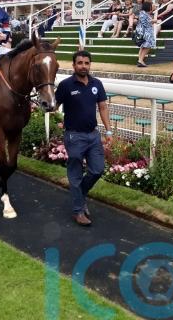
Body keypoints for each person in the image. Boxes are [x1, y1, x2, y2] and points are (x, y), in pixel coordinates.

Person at [55, 50, 112, 226]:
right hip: (74, 136)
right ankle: (78, 211)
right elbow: (54, 106)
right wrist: (47, 104)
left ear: (90, 65)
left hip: (93, 136)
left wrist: (109, 131)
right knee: (75, 174)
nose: (83, 66)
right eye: (80, 63)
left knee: (97, 170)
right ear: (74, 65)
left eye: (86, 63)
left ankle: (80, 196)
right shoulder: (65, 85)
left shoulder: (97, 84)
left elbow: (103, 107)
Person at [136, 0, 157, 67]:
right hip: (146, 33)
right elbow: (145, 23)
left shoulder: (143, 13)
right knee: (147, 46)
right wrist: (153, 21)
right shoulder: (143, 13)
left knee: (143, 47)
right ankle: (140, 60)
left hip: (144, 32)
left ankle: (140, 60)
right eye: (151, 5)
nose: (152, 6)